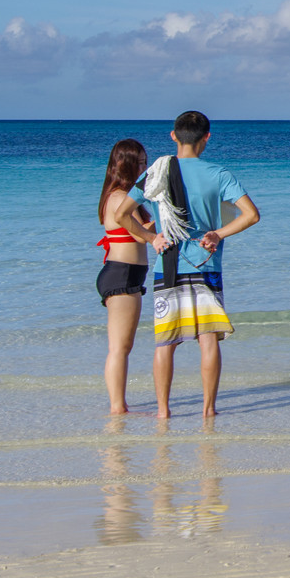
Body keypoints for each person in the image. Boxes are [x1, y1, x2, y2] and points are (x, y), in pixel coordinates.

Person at [132, 110, 259, 422]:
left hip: (168, 265)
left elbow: (121, 214)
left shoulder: (155, 173)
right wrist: (218, 233)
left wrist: (151, 238)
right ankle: (208, 409)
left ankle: (163, 411)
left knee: (166, 342)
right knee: (208, 339)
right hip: (206, 264)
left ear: (173, 136)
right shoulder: (219, 174)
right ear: (207, 138)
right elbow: (250, 215)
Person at [95, 138, 161, 415]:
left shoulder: (121, 195)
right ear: (127, 164)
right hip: (121, 275)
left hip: (126, 274)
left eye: (147, 161)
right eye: (141, 162)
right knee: (120, 347)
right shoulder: (121, 198)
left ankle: (119, 404)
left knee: (124, 345)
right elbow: (139, 234)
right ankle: (117, 407)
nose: (145, 167)